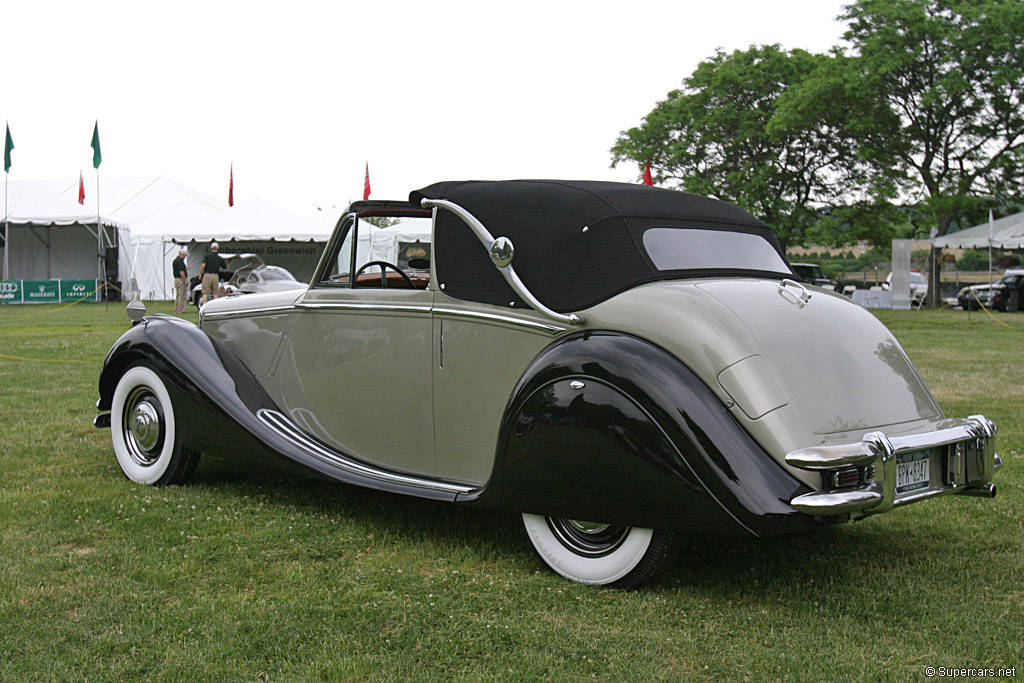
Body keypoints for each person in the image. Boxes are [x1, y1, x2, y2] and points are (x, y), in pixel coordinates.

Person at [199, 242, 226, 306]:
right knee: (215, 293)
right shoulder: (219, 258)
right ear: (217, 248)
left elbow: (203, 265)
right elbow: (225, 267)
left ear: (211, 248)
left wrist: (200, 273)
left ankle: (204, 308)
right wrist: (229, 262)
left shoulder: (207, 256)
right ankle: (215, 307)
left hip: (207, 275)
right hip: (215, 276)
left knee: (205, 293)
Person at [172, 247, 189, 314]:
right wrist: (185, 280)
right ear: (183, 254)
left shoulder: (175, 260)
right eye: (185, 255)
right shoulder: (180, 261)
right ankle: (181, 310)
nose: (185, 257)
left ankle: (176, 309)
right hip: (180, 279)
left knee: (178, 295)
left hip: (176, 279)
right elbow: (181, 272)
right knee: (182, 295)